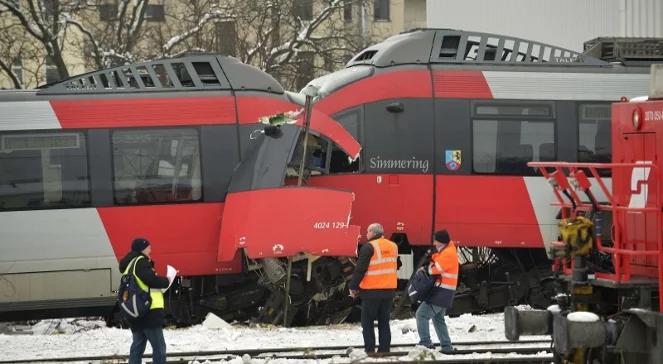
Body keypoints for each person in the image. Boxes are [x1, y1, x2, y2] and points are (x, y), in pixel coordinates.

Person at [349, 223, 399, 355]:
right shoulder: (393, 246)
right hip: (388, 291)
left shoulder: (369, 247)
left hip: (371, 292)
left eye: (367, 231)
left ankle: (370, 350)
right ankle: (384, 349)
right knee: (384, 322)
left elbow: (360, 269)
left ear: (372, 232)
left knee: (367, 323)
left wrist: (353, 287)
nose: (366, 234)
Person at [119, 238, 170, 364]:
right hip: (148, 310)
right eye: (148, 247)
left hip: (136, 311)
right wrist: (167, 281)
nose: (150, 250)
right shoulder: (141, 262)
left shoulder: (129, 264)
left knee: (138, 347)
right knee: (159, 347)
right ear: (142, 249)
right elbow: (151, 280)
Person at [415, 229, 459, 353]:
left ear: (441, 241)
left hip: (442, 292)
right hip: (443, 291)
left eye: (435, 240)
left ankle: (426, 342)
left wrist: (426, 269)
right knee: (438, 319)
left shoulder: (448, 253)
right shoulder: (446, 251)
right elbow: (435, 265)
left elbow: (435, 269)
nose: (434, 242)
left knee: (421, 314)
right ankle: (446, 346)